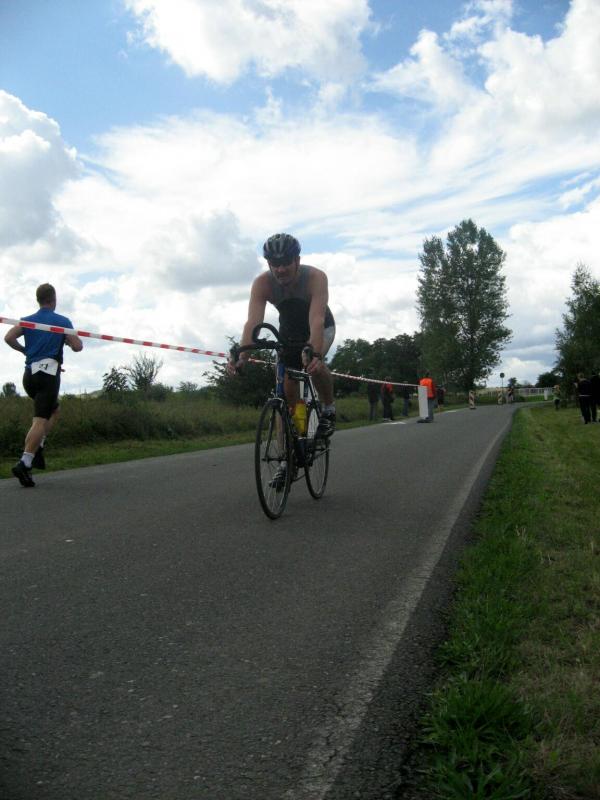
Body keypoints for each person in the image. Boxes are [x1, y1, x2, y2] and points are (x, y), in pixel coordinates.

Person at [231, 234, 336, 485]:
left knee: (313, 365)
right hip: (288, 333)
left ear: (297, 260)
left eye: (286, 262)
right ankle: (289, 456)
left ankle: (328, 409)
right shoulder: (262, 283)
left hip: (320, 327)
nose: (280, 269)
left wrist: (315, 353)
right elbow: (253, 323)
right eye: (274, 263)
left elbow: (317, 320)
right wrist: (242, 356)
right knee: (288, 395)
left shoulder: (315, 277)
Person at [4, 283, 83, 487]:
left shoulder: (28, 320)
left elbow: (8, 337)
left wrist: (24, 350)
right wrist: (67, 340)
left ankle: (36, 448)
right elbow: (78, 346)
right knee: (39, 421)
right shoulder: (62, 321)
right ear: (53, 299)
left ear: (38, 300)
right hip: (48, 377)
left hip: (29, 376)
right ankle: (25, 462)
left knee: (54, 411)